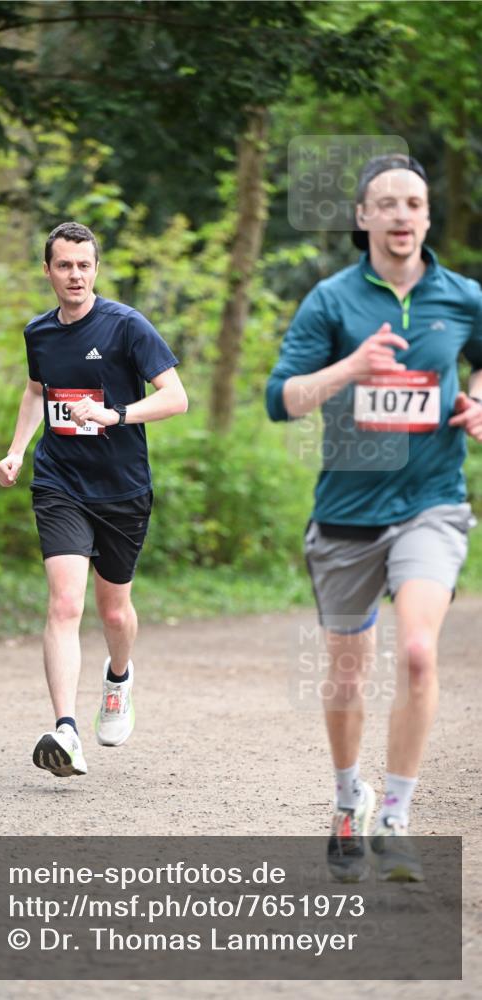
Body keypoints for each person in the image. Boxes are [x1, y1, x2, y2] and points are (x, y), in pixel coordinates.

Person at [266, 154, 482, 881]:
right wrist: (348, 370)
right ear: (362, 219)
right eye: (384, 204)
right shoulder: (329, 301)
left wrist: (476, 399)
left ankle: (394, 815)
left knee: (418, 652)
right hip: (346, 515)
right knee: (348, 680)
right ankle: (343, 800)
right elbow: (282, 398)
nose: (399, 215)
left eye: (412, 203)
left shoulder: (462, 297)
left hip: (431, 502)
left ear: (426, 216)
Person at [0, 221, 187, 778]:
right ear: (48, 271)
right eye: (63, 265)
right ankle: (65, 732)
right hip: (60, 484)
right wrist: (16, 450)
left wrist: (117, 414)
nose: (74, 275)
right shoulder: (40, 333)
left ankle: (119, 678)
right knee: (64, 604)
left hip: (123, 489)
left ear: (95, 268)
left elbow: (176, 399)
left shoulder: (127, 327)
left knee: (114, 610)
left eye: (83, 265)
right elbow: (37, 393)